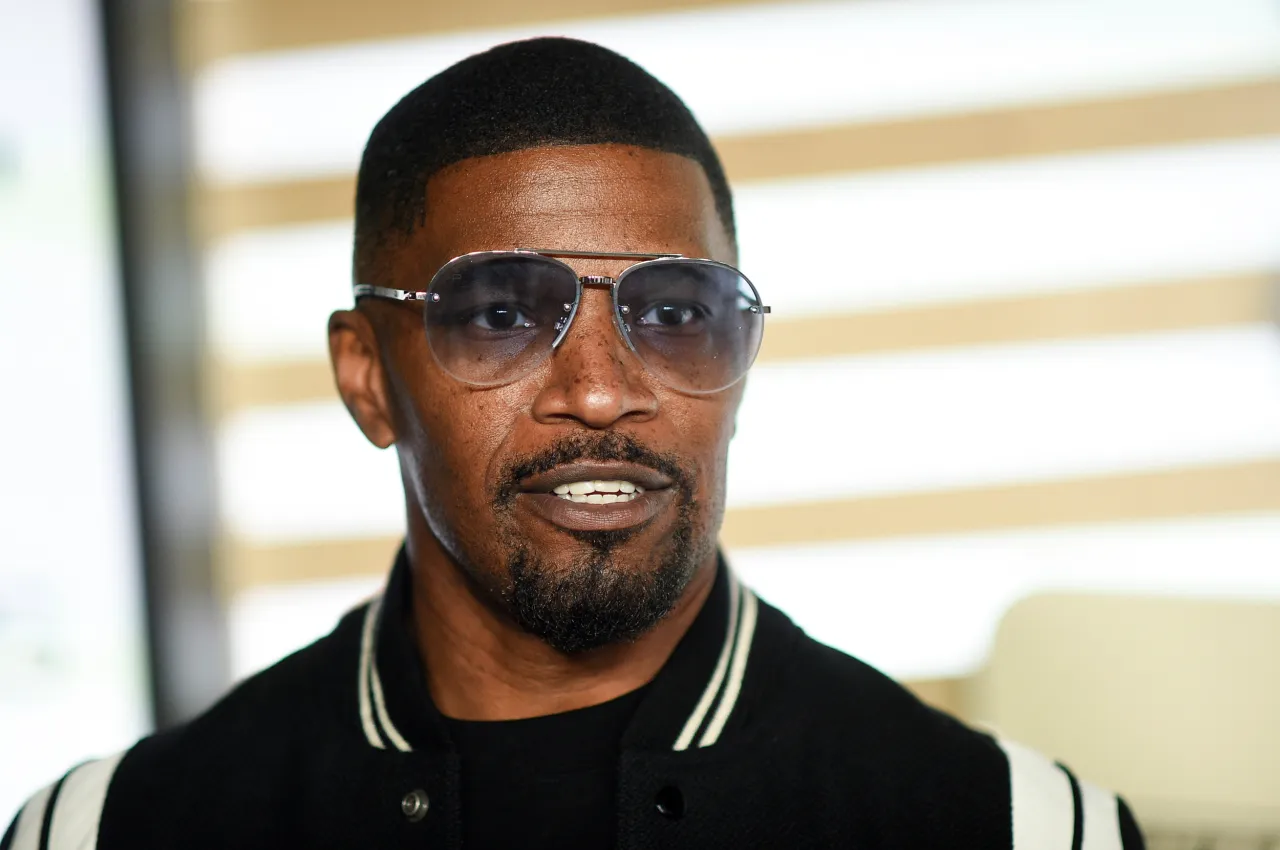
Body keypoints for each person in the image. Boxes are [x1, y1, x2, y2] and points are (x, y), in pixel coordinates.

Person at [4, 37, 1145, 850]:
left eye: (676, 311)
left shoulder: (1021, 829)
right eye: (502, 312)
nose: (600, 392)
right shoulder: (104, 831)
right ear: (369, 377)